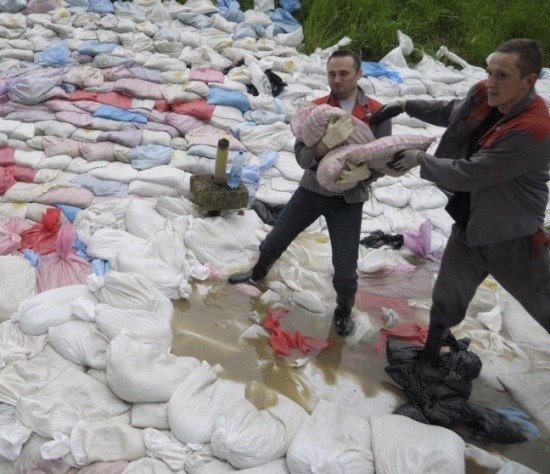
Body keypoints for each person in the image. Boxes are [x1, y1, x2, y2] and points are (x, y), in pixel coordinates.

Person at [370, 38, 550, 364]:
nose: (491, 82)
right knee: (446, 298)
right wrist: (407, 104)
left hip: (514, 239)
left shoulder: (533, 130)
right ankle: (428, 359)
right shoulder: (486, 94)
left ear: (529, 81)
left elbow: (472, 174)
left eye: (503, 76)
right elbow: (453, 111)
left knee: (545, 305)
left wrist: (418, 159)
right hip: (470, 227)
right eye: (490, 71)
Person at [228, 50, 392, 336]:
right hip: (312, 190)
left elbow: (387, 159)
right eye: (332, 73)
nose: (337, 79)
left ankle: (343, 311)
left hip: (348, 200)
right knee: (274, 241)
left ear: (359, 74)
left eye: (344, 73)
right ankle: (256, 275)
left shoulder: (378, 113)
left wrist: (367, 174)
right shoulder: (315, 110)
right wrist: (324, 145)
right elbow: (303, 159)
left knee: (345, 270)